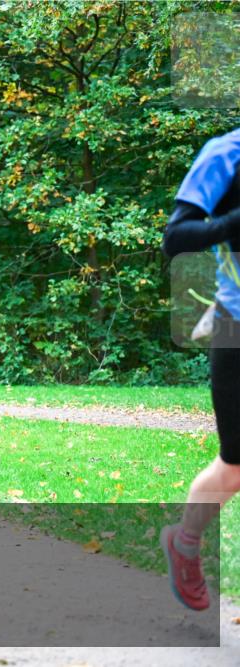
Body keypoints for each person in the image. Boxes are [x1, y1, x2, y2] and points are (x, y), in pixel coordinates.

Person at [160, 127, 240, 611]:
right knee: (235, 467)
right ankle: (184, 544)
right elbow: (176, 237)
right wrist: (231, 223)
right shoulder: (226, 154)